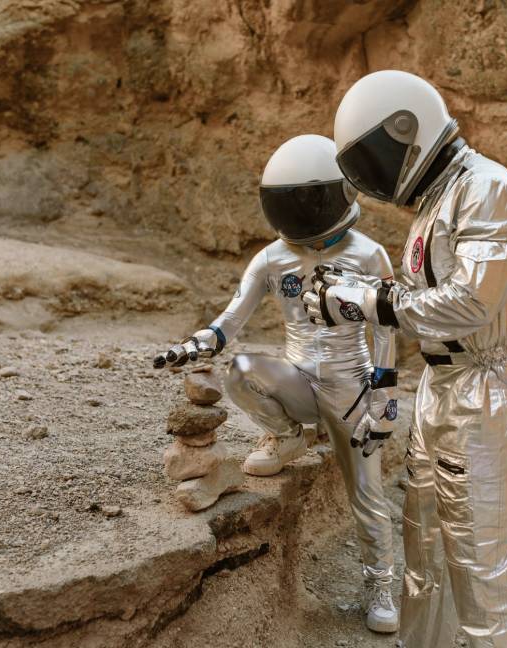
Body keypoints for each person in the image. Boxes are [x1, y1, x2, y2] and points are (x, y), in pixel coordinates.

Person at [302, 70, 507, 648]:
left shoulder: (490, 189)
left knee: (482, 560)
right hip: (445, 386)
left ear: (405, 130)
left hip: (488, 385)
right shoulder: (442, 196)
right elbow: (420, 303)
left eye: (374, 159)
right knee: (427, 548)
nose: (377, 179)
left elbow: (470, 305)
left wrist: (366, 301)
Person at [153, 134, 400, 634]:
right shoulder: (272, 259)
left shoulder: (370, 255)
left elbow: (386, 331)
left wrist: (384, 398)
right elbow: (231, 319)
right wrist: (197, 344)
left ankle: (382, 584)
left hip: (350, 389)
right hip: (297, 381)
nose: (302, 217)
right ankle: (287, 434)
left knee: (367, 496)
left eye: (308, 202)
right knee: (242, 371)